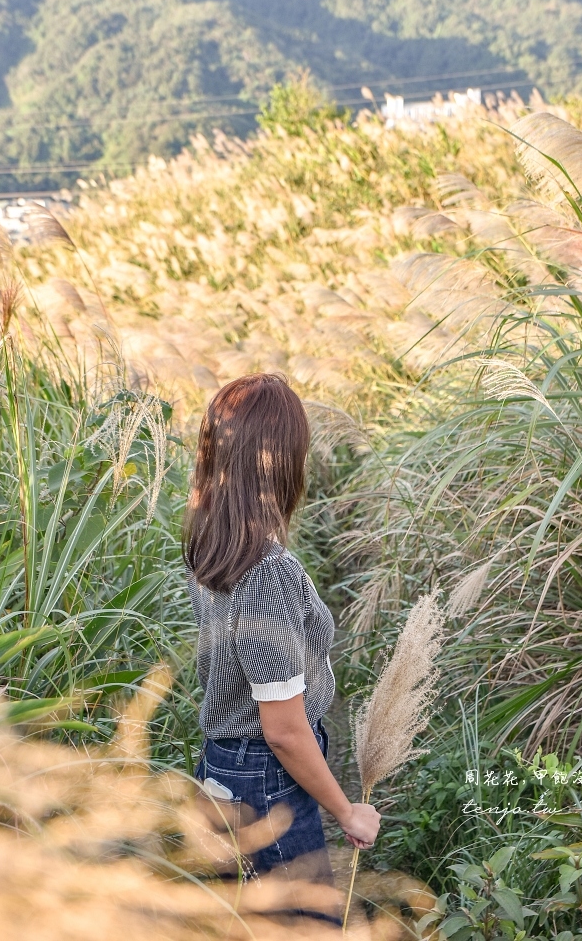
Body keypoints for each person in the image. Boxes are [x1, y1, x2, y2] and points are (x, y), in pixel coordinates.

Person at [183, 372, 380, 890]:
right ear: (281, 463)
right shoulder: (267, 571)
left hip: (223, 770)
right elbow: (284, 729)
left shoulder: (210, 544)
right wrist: (346, 811)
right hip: (267, 779)